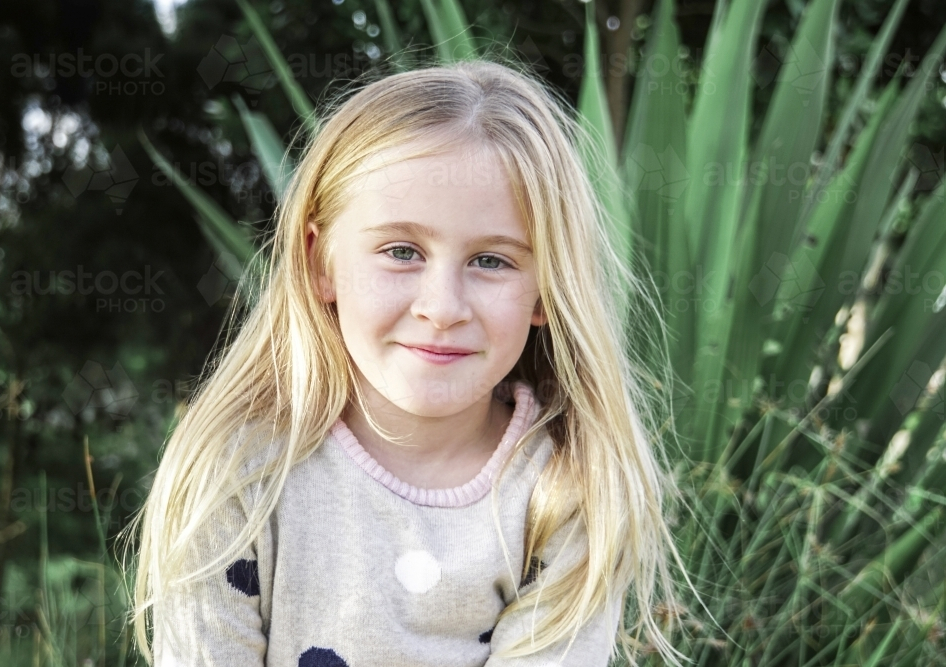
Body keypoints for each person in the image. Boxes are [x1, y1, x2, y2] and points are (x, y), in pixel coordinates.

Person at [124, 57, 684, 667]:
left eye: (491, 261)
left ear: (547, 289)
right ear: (322, 264)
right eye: (401, 251)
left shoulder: (566, 495)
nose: (442, 308)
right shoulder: (236, 474)